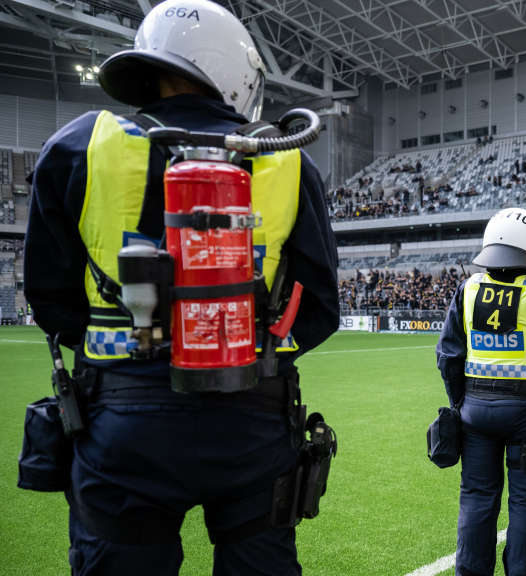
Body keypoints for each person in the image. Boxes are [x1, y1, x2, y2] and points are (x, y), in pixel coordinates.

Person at [22, 0, 341, 572]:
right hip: (252, 417)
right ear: (235, 72)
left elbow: (49, 297)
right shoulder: (289, 163)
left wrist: (128, 349)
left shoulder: (78, 145)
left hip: (120, 426)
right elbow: (319, 309)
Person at [436, 207, 526, 576]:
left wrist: (460, 401)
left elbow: (448, 354)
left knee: (477, 497)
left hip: (475, 411)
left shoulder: (468, 288)